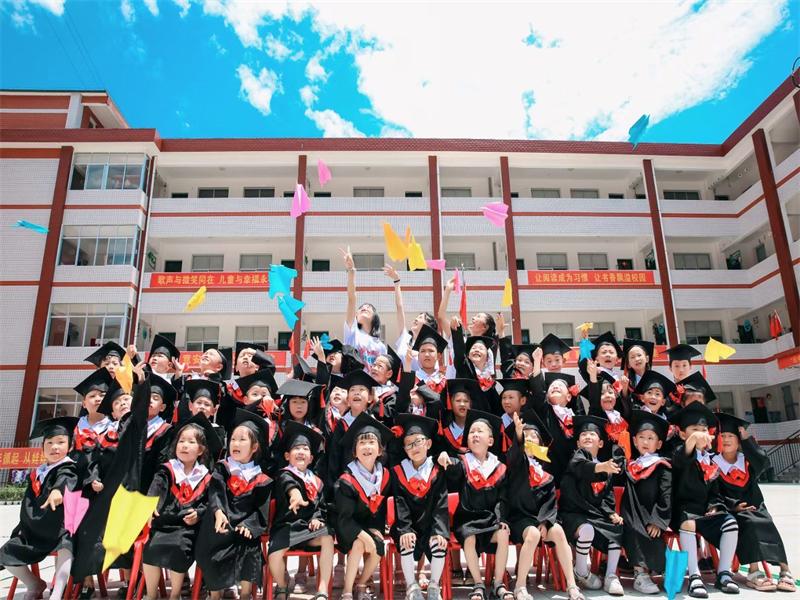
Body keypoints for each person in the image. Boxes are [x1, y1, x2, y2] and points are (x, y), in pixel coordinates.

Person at [195, 409, 272, 600]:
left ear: (254, 447)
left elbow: (260, 510)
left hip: (243, 526)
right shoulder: (223, 468)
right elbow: (215, 493)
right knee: (214, 545)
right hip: (220, 523)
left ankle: (245, 595)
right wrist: (218, 512)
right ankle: (215, 595)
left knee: (249, 546)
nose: (235, 443)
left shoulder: (261, 478)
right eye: (233, 439)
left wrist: (249, 525)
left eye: (242, 440)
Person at [506, 411, 584, 600]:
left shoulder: (546, 474)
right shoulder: (517, 465)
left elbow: (550, 502)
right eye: (526, 436)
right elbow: (515, 455)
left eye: (533, 436)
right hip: (519, 518)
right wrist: (518, 435)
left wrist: (545, 521)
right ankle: (520, 586)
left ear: (541, 445)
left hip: (540, 519)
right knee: (532, 533)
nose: (529, 438)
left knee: (558, 531)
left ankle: (572, 586)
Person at [714, 412, 795, 592]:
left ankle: (785, 570)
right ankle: (754, 572)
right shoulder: (713, 464)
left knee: (767, 520)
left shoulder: (747, 461)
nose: (726, 439)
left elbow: (763, 462)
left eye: (731, 436)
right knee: (750, 522)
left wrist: (747, 439)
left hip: (756, 505)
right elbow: (714, 493)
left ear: (738, 441)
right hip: (732, 510)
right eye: (723, 436)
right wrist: (733, 505)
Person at [142, 415, 221, 600]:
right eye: (181, 441)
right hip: (164, 523)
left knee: (179, 548)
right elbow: (156, 488)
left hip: (187, 528)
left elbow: (209, 503)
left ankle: (175, 594)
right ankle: (151, 595)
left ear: (201, 450)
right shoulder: (167, 470)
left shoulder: (206, 476)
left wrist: (199, 514)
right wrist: (151, 504)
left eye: (191, 442)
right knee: (151, 548)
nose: (184, 445)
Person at [0, 416, 79, 600]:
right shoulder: (38, 473)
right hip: (35, 530)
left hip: (58, 529)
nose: (54, 447)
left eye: (60, 442)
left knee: (66, 545)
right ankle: (34, 584)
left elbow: (66, 479)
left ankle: (57, 592)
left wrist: (57, 491)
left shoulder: (68, 467)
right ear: (42, 447)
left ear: (70, 447)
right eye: (49, 443)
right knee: (7, 552)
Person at [437, 410, 513, 600]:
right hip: (467, 520)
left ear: (491, 441)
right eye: (471, 432)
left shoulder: (499, 467)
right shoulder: (463, 462)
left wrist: (502, 519)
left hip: (491, 520)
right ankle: (478, 584)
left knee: (503, 533)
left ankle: (498, 584)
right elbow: (450, 469)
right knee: (469, 537)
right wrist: (443, 456)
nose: (475, 435)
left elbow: (502, 499)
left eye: (480, 431)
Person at [669, 402, 739, 598]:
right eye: (694, 430)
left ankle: (724, 573)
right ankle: (694, 576)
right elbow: (681, 459)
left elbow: (715, 492)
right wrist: (692, 440)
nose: (700, 434)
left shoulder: (711, 460)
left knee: (730, 523)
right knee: (689, 523)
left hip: (706, 511)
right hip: (683, 510)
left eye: (703, 430)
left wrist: (714, 506)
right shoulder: (677, 453)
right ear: (682, 434)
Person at [268, 421, 334, 600]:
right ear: (287, 455)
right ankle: (282, 585)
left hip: (308, 530)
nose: (301, 452)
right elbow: (289, 485)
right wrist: (295, 495)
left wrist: (317, 518)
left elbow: (320, 506)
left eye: (305, 449)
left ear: (311, 458)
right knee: (274, 555)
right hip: (286, 527)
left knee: (327, 537)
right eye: (296, 448)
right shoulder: (284, 474)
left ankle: (322, 590)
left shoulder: (317, 482)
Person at [334, 413, 393, 600]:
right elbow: (344, 518)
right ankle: (347, 591)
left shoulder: (385, 476)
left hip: (370, 525)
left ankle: (361, 584)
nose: (367, 447)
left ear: (380, 450)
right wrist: (366, 536)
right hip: (347, 526)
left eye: (371, 443)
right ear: (354, 452)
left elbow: (380, 510)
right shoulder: (346, 481)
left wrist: (376, 529)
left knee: (378, 544)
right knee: (360, 544)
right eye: (362, 443)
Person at [390, 414, 449, 600]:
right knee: (406, 540)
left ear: (429, 444)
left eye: (418, 442)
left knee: (438, 541)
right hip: (408, 525)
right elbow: (399, 502)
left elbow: (441, 503)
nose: (414, 447)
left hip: (432, 524)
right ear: (404, 449)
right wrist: (405, 529)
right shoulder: (399, 472)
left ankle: (434, 586)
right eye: (409, 444)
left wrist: (439, 531)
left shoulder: (437, 469)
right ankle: (412, 587)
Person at [621, 410, 672, 594]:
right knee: (633, 528)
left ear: (659, 444)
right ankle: (640, 574)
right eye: (641, 437)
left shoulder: (663, 466)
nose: (645, 441)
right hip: (631, 513)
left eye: (651, 438)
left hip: (651, 514)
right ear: (634, 441)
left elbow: (666, 495)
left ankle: (660, 571)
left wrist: (658, 520)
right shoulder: (630, 465)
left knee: (649, 533)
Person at [341, 247, 387, 367]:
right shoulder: (352, 332)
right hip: (354, 379)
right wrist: (351, 270)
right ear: (355, 315)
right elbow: (352, 298)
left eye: (369, 307)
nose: (364, 307)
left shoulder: (381, 347)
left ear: (375, 318)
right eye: (361, 307)